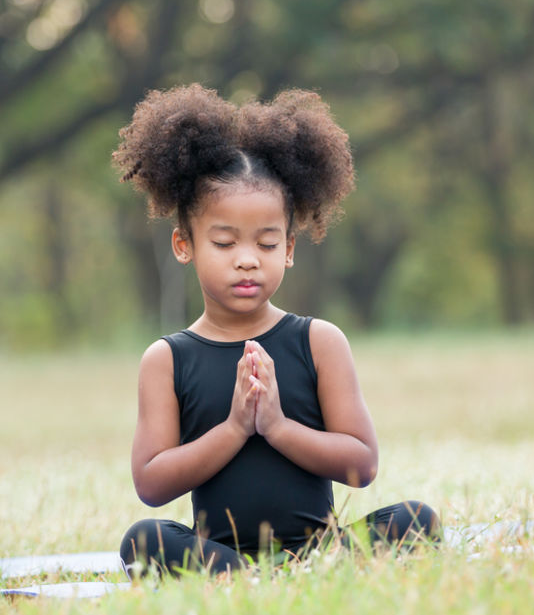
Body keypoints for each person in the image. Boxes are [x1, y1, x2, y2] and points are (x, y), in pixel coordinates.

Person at [113, 85, 439, 577]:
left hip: (321, 553)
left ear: (288, 248)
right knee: (143, 539)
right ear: (185, 244)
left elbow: (362, 465)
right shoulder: (167, 359)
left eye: (266, 243)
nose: (247, 259)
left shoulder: (319, 341)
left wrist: (277, 426)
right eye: (224, 242)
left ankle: (300, 575)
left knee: (417, 519)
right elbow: (152, 484)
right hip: (220, 555)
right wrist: (236, 428)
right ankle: (245, 580)